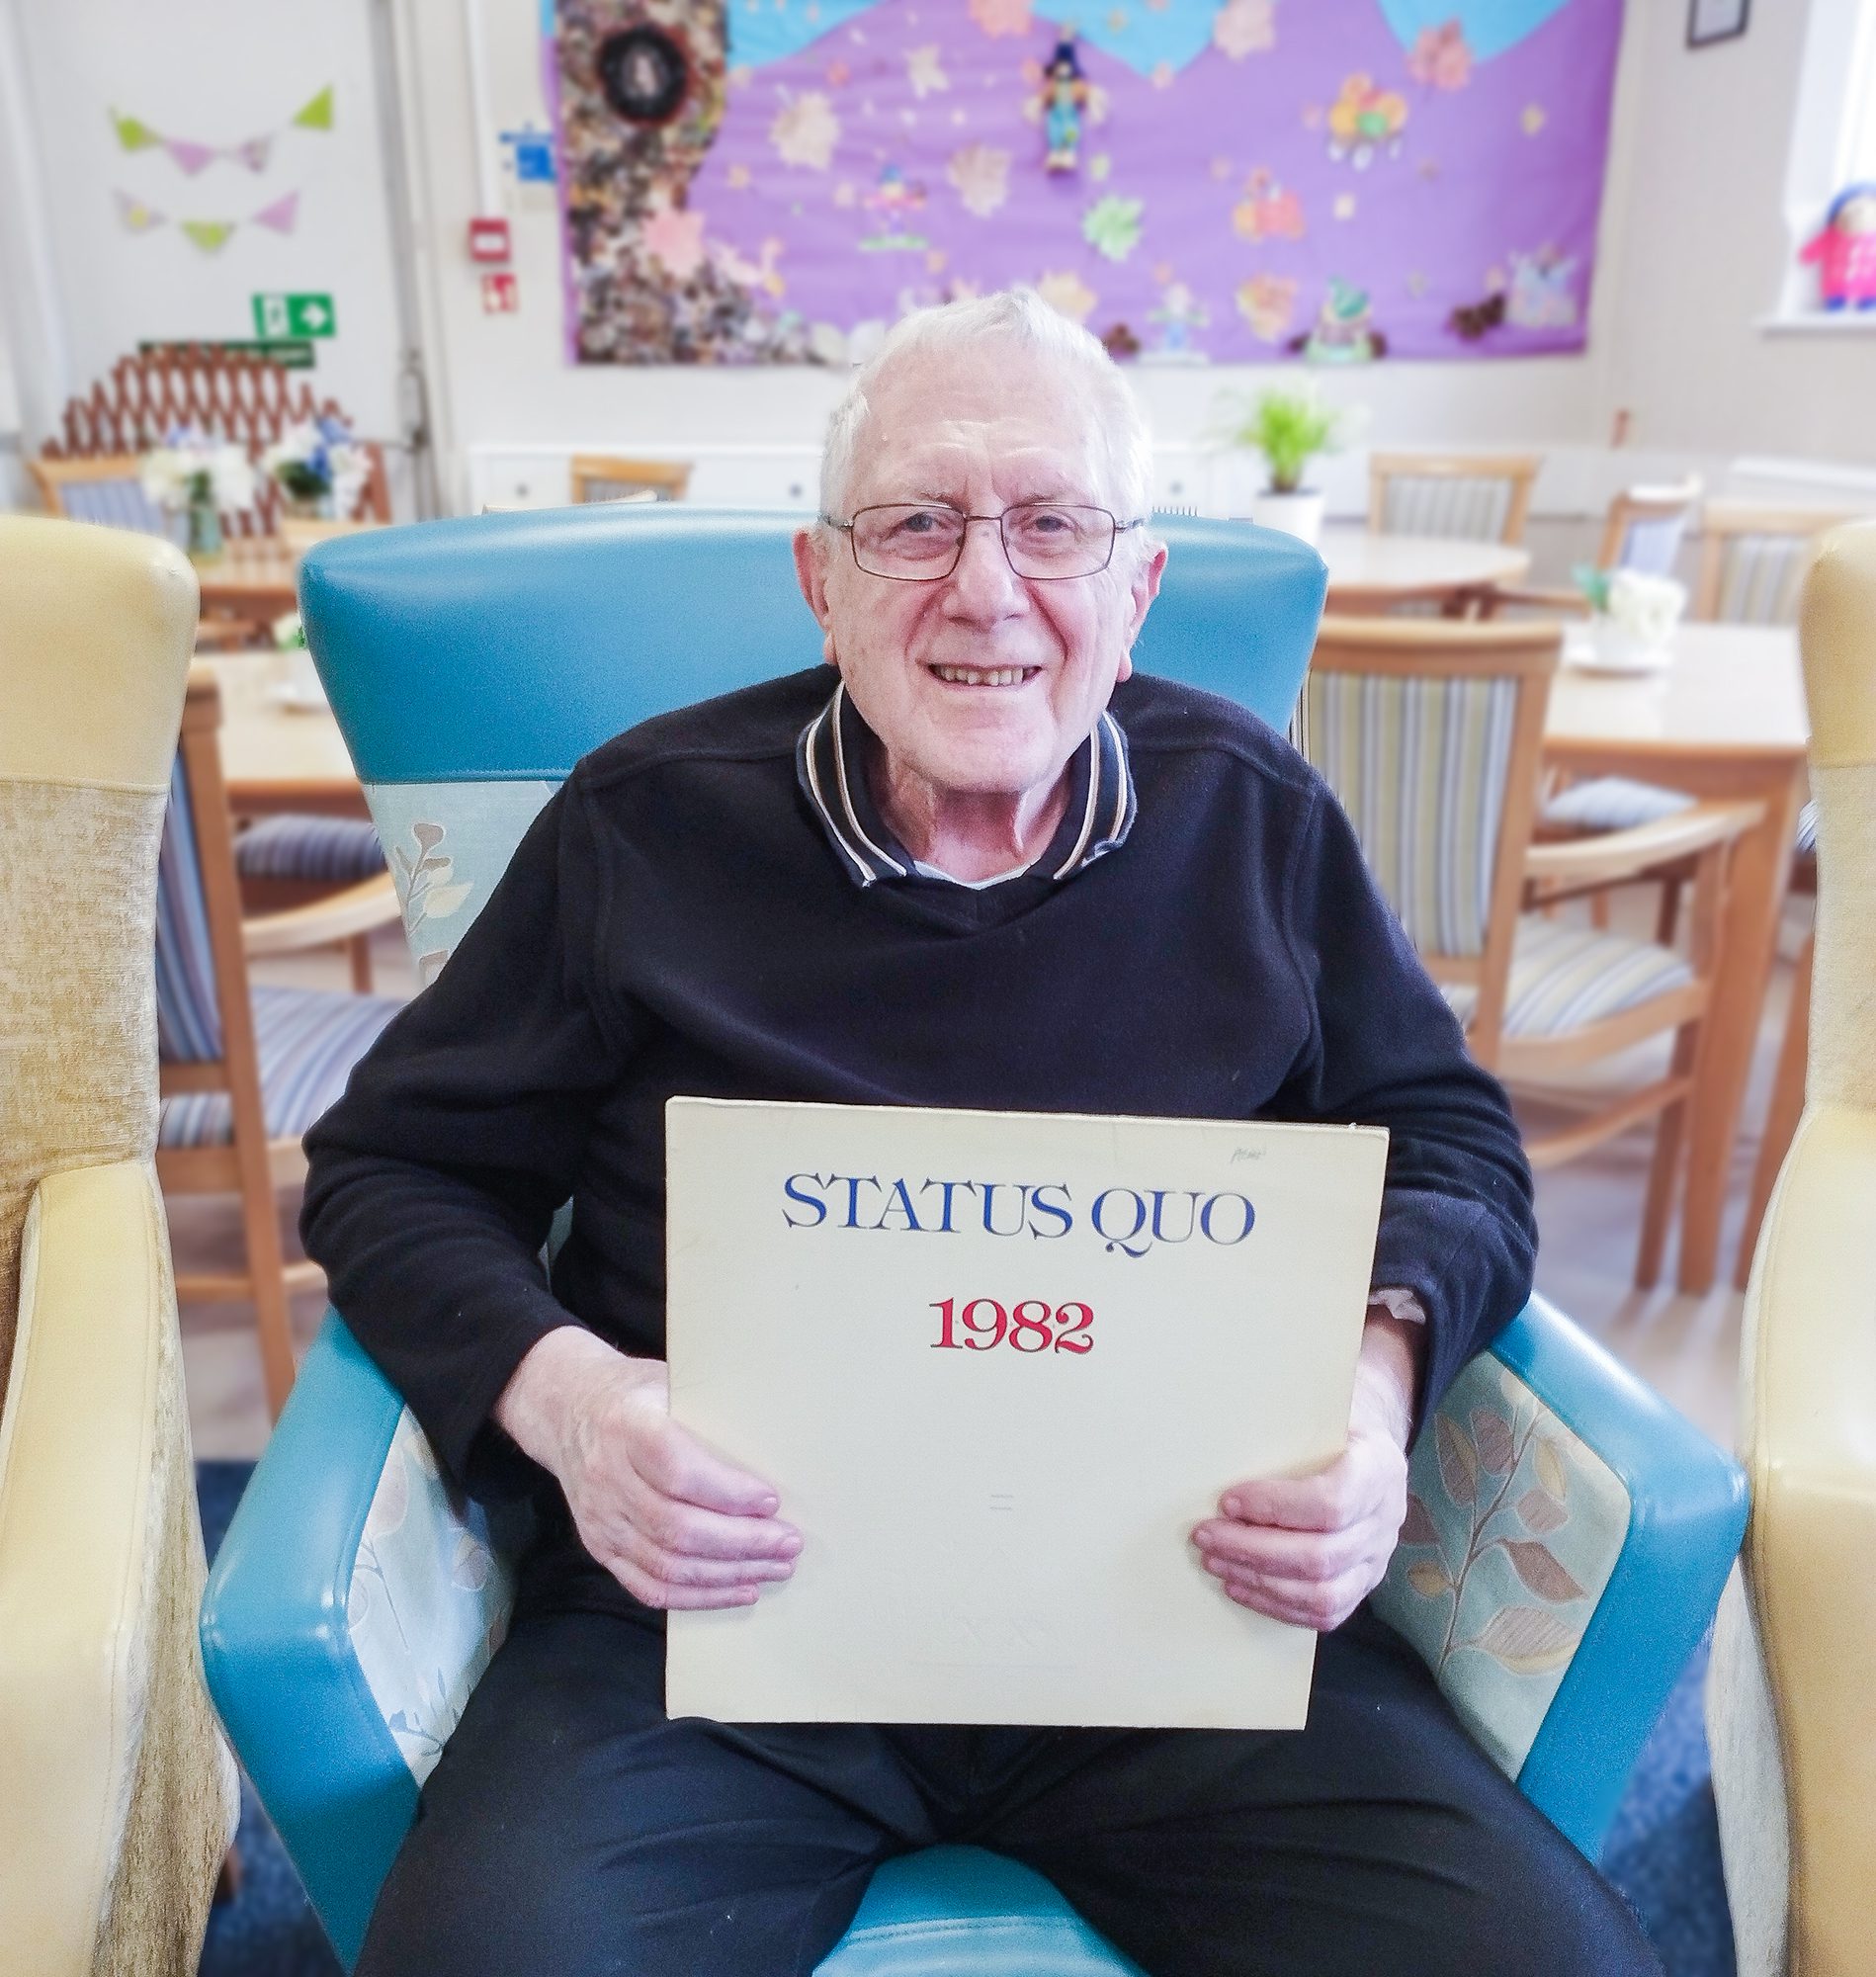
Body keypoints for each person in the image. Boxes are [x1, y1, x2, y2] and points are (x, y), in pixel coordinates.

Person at [301, 290, 1660, 1976]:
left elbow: (1449, 1145)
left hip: (1181, 1618)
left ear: (1137, 588)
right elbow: (390, 1167)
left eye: (1053, 525)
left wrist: (1374, 1393)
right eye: (915, 523)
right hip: (720, 1625)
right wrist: (577, 1408)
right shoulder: (640, 827)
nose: (985, 587)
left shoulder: (1254, 818)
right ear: (821, 579)